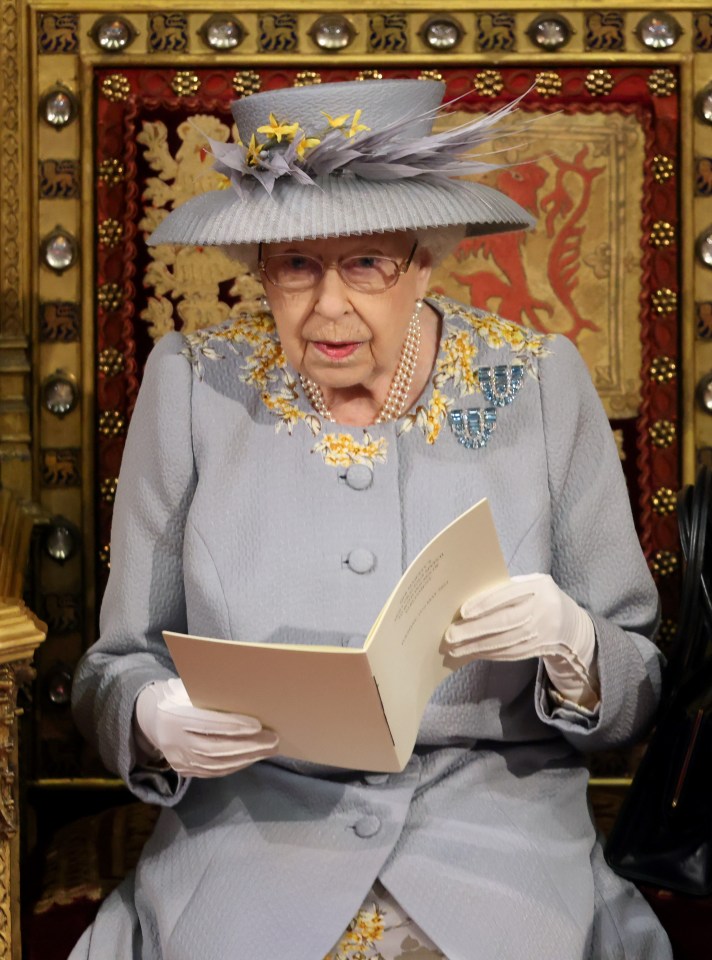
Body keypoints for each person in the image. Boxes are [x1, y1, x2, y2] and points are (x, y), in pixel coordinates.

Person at [70, 79, 672, 960]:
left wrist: (572, 641)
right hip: (250, 832)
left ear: (426, 260)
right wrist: (149, 715)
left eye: (366, 264)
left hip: (495, 834)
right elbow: (112, 666)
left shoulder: (536, 381)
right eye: (296, 267)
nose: (328, 307)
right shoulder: (194, 383)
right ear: (260, 267)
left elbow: (637, 689)